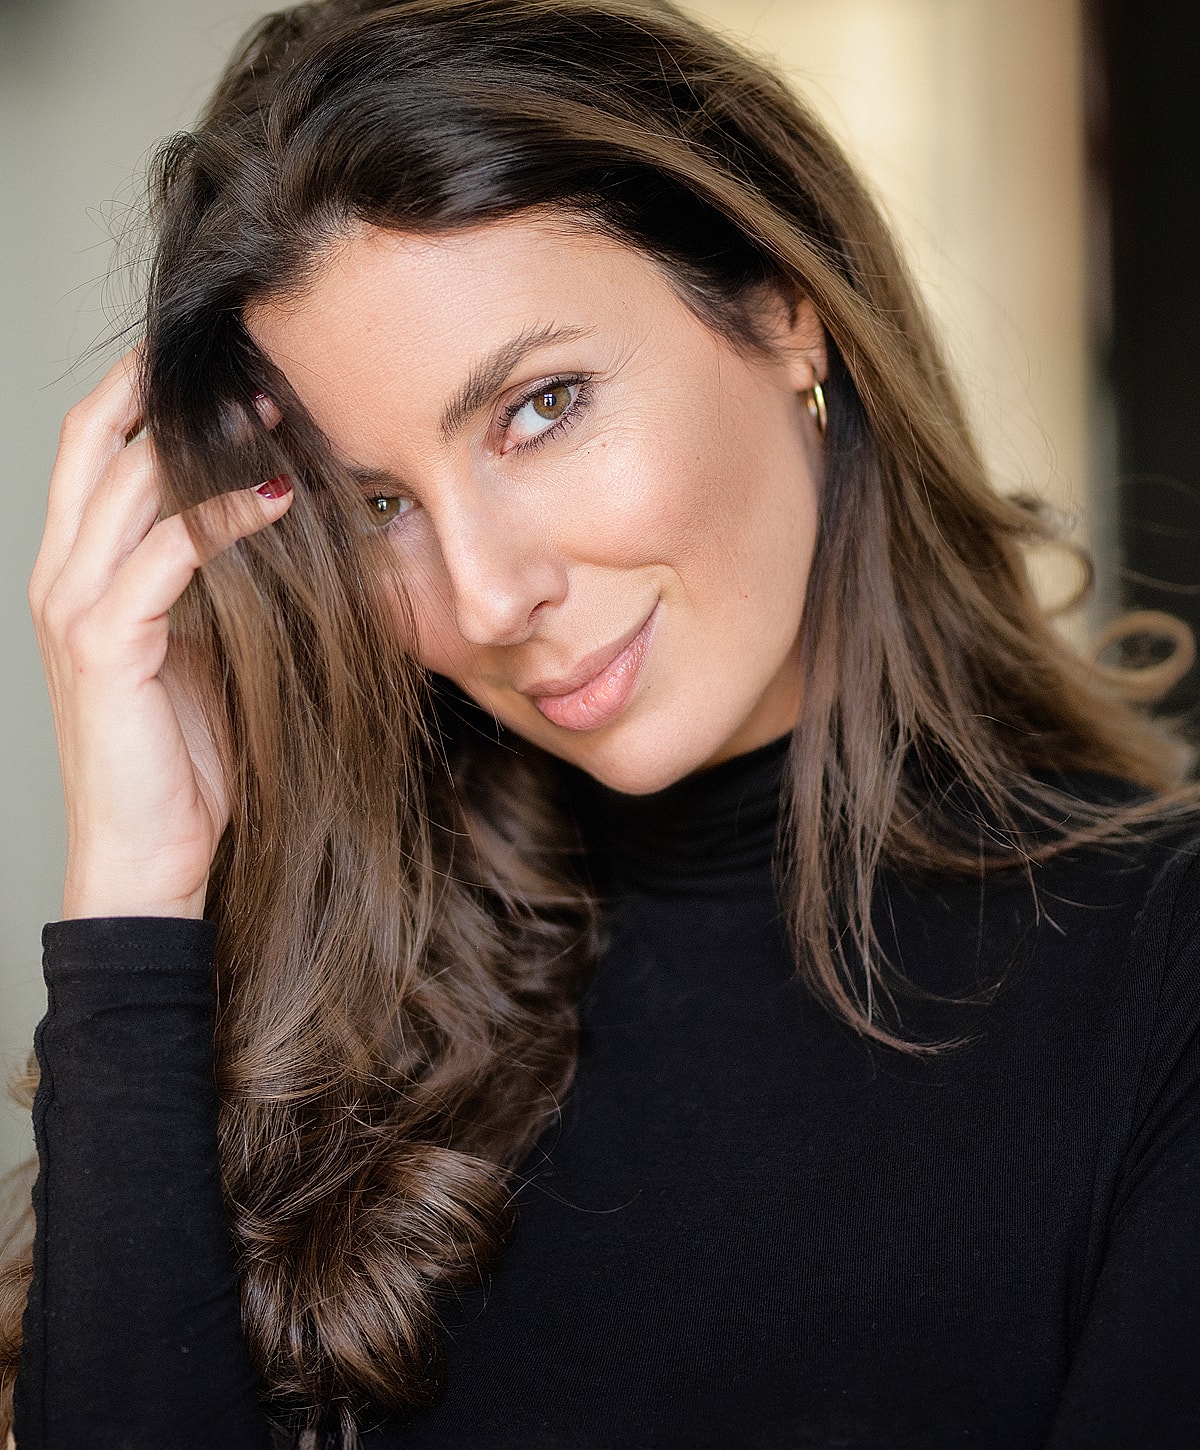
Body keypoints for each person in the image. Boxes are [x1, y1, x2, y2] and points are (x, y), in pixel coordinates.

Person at [3, 0, 1200, 1445]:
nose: (488, 596)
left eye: (540, 406)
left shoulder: (1162, 972)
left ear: (778, 307)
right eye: (379, 506)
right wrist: (134, 896)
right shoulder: (331, 1003)